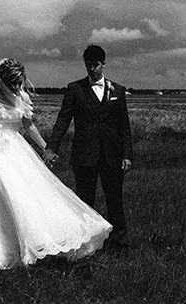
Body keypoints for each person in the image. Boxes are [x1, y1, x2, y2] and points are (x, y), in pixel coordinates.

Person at [0, 58, 112, 268]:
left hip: (18, 150)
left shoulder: (22, 96)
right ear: (2, 80)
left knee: (28, 194)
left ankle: (37, 239)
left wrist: (45, 148)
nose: (16, 87)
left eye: (19, 83)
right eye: (13, 83)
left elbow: (29, 126)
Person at [50, 44, 132, 248]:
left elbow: (125, 127)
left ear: (103, 64)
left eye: (95, 65)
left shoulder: (118, 91)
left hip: (112, 155)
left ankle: (118, 241)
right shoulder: (74, 89)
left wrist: (127, 155)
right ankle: (86, 243)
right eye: (88, 65)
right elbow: (63, 120)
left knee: (115, 199)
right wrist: (52, 148)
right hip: (84, 155)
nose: (92, 69)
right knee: (84, 201)